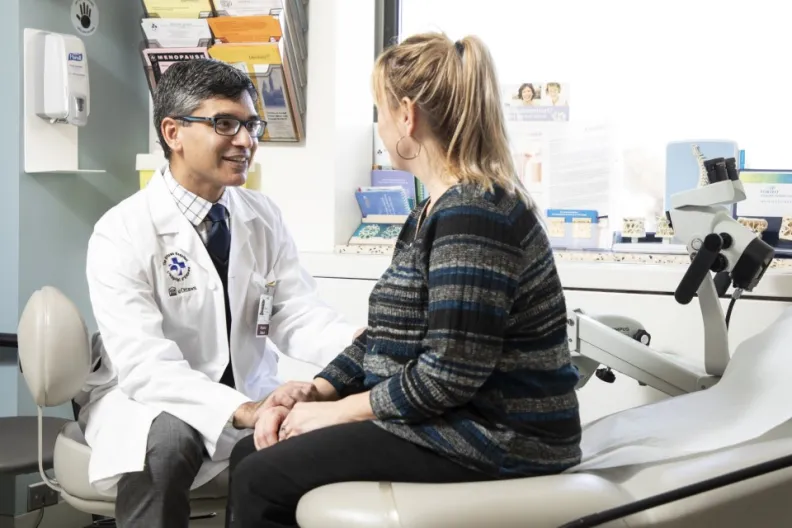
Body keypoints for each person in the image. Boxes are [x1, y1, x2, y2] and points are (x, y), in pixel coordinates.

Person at [227, 32, 582, 528]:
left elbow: (448, 374)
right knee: (250, 457)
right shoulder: (431, 213)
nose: (378, 124)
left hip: (501, 437)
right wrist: (317, 390)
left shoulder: (475, 214)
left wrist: (339, 412)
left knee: (258, 477)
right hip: (459, 422)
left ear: (407, 116)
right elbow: (387, 338)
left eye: (380, 111)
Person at [77, 59, 361, 528]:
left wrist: (363, 346)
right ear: (173, 132)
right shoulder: (121, 232)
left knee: (314, 435)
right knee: (169, 442)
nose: (246, 141)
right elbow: (147, 366)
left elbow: (296, 314)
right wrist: (242, 410)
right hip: (149, 400)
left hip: (249, 390)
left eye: (251, 124)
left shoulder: (261, 215)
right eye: (224, 124)